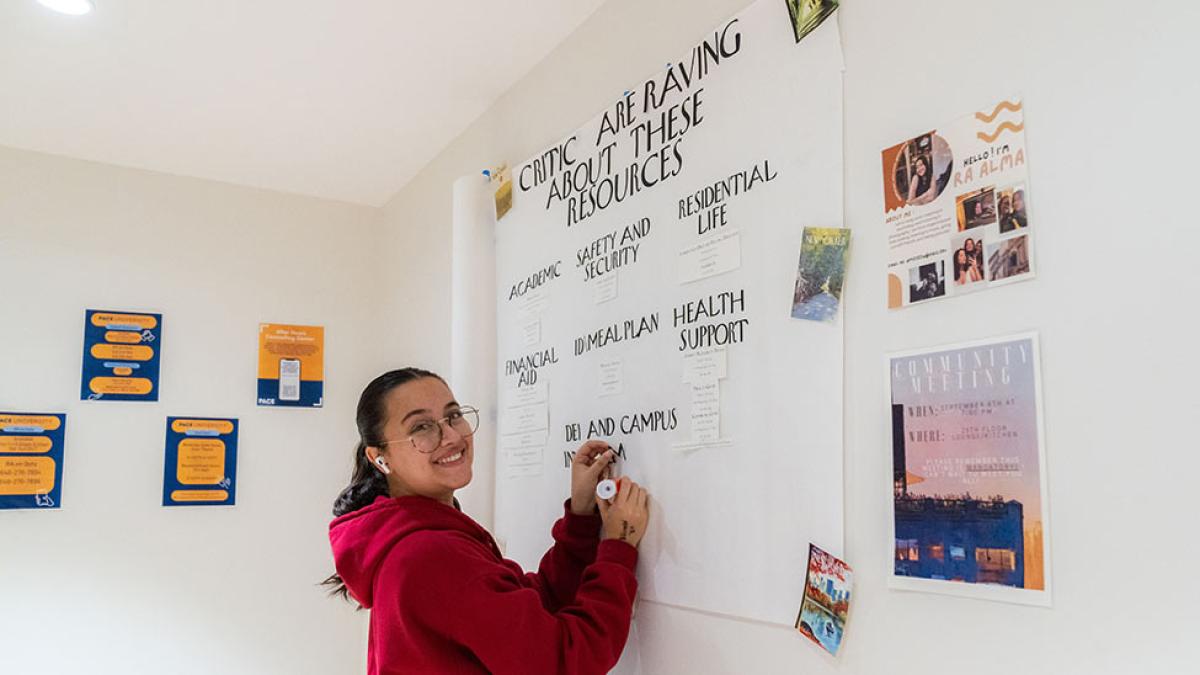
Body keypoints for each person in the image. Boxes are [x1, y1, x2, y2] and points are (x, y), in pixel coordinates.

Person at [325, 368, 651, 675]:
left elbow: (532, 608)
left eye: (453, 416)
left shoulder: (413, 539)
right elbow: (562, 660)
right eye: (421, 427)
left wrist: (581, 519)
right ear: (380, 458)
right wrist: (618, 548)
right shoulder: (432, 554)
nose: (451, 436)